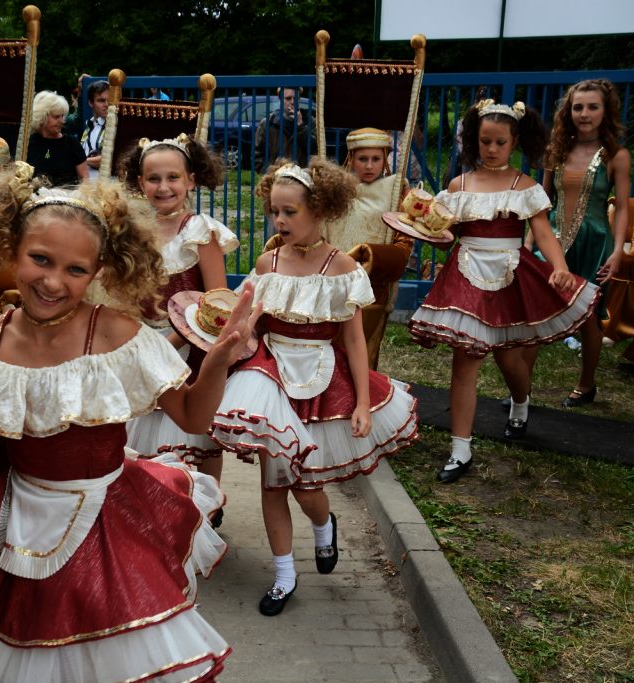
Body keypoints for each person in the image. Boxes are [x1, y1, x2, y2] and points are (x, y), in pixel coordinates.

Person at [0, 165, 261, 681]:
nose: (52, 282)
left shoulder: (116, 333)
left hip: (108, 519)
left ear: (99, 272)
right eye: (40, 259)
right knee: (40, 647)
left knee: (110, 655)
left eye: (76, 269)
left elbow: (192, 416)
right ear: (11, 248)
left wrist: (218, 360)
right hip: (21, 520)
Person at [208, 158, 418, 617]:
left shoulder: (342, 267)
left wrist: (362, 402)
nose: (280, 221)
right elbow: (251, 326)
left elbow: (355, 340)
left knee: (306, 487)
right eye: (274, 211)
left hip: (322, 380)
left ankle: (324, 525)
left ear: (319, 210)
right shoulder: (268, 262)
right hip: (271, 380)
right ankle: (284, 575)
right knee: (273, 483)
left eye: (290, 212)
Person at [407, 100, 601, 484]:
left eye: (500, 142)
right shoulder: (458, 186)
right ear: (473, 141)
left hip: (510, 275)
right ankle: (460, 449)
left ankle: (521, 402)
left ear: (515, 142)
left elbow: (543, 232)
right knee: (465, 360)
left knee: (510, 360)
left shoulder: (524, 187)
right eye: (485, 141)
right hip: (466, 275)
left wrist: (559, 267)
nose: (492, 149)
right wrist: (424, 227)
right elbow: (446, 237)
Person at [118, 133, 238, 487]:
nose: (163, 187)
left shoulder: (199, 232)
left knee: (197, 439)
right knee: (145, 431)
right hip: (143, 344)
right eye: (153, 178)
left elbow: (216, 302)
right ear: (140, 183)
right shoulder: (133, 234)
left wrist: (172, 342)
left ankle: (209, 504)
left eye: (173, 177)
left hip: (189, 348)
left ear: (191, 181)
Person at [521, 80, 631, 407]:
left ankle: (586, 384)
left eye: (592, 107)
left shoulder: (616, 156)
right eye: (577, 107)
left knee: (589, 318)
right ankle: (521, 387)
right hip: (553, 242)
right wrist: (528, 242)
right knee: (535, 315)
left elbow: (622, 207)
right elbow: (541, 201)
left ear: (605, 111)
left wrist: (618, 251)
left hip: (595, 244)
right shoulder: (555, 151)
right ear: (568, 112)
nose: (584, 114)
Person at [328, 128, 414, 369]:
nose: (369, 165)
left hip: (373, 281)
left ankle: (363, 389)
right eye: (362, 159)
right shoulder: (335, 188)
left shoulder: (396, 189)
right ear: (351, 159)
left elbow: (404, 239)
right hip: (333, 279)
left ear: (385, 159)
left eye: (376, 159)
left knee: (364, 348)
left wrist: (377, 259)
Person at [26, 90, 87, 187]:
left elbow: (85, 180)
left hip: (68, 195)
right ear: (42, 116)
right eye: (56, 116)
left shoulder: (72, 143)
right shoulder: (27, 143)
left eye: (62, 116)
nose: (62, 121)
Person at [255, 88, 308, 171]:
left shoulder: (309, 121)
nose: (292, 102)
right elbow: (257, 156)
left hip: (301, 176)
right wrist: (271, 173)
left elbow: (314, 150)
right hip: (275, 176)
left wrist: (300, 125)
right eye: (288, 98)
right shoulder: (268, 123)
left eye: (296, 98)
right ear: (280, 100)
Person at [80, 79, 109, 178]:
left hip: (106, 183)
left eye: (110, 100)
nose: (107, 105)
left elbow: (108, 160)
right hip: (86, 180)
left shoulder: (118, 126)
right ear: (90, 103)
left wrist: (81, 161)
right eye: (101, 100)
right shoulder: (90, 125)